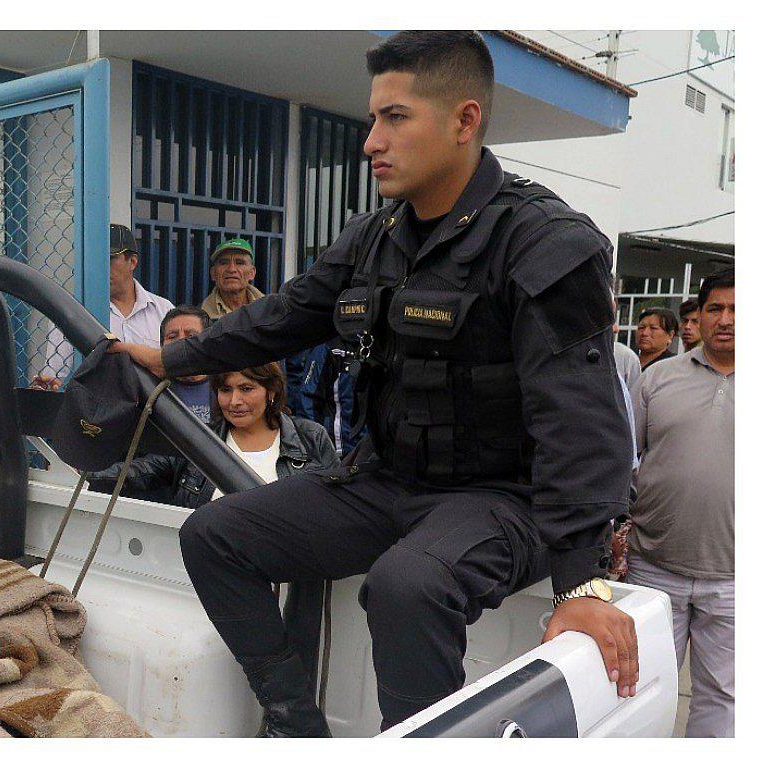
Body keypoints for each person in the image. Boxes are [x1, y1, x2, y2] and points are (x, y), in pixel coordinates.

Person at [111, 31, 637, 736]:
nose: (371, 142)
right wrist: (170, 360)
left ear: (465, 120)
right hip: (389, 480)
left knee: (405, 585)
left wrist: (581, 584)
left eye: (395, 117)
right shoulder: (373, 236)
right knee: (213, 534)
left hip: (504, 499)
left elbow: (581, 421)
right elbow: (284, 316)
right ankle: (297, 724)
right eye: (372, 119)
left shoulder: (542, 240)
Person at [627, 269, 734, 737]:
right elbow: (625, 460)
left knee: (724, 699)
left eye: (738, 309)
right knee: (641, 692)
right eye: (716, 308)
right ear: (700, 315)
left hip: (736, 579)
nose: (726, 319)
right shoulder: (657, 379)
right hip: (654, 568)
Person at [90, 363, 339, 508]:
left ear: (271, 391)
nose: (234, 401)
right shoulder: (199, 439)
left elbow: (336, 503)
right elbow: (141, 471)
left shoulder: (310, 438)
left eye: (246, 389)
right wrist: (82, 473)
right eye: (225, 390)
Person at [33, 224, 173, 389]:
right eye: (95, 259)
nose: (100, 267)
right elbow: (56, 375)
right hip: (95, 404)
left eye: (109, 259)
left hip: (153, 403)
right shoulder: (71, 312)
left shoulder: (163, 310)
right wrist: (52, 387)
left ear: (132, 262)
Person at [285, 341, 360, 457]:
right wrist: (313, 448)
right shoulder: (330, 347)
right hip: (336, 451)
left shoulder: (381, 346)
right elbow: (309, 398)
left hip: (372, 448)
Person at [161, 306, 214, 423]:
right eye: (172, 337)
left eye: (191, 336)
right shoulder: (151, 388)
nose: (181, 342)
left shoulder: (224, 386)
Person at [201, 239, 264, 319]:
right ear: (213, 273)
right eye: (224, 263)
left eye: (240, 263)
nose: (231, 269)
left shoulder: (270, 310)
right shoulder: (200, 317)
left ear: (252, 273)